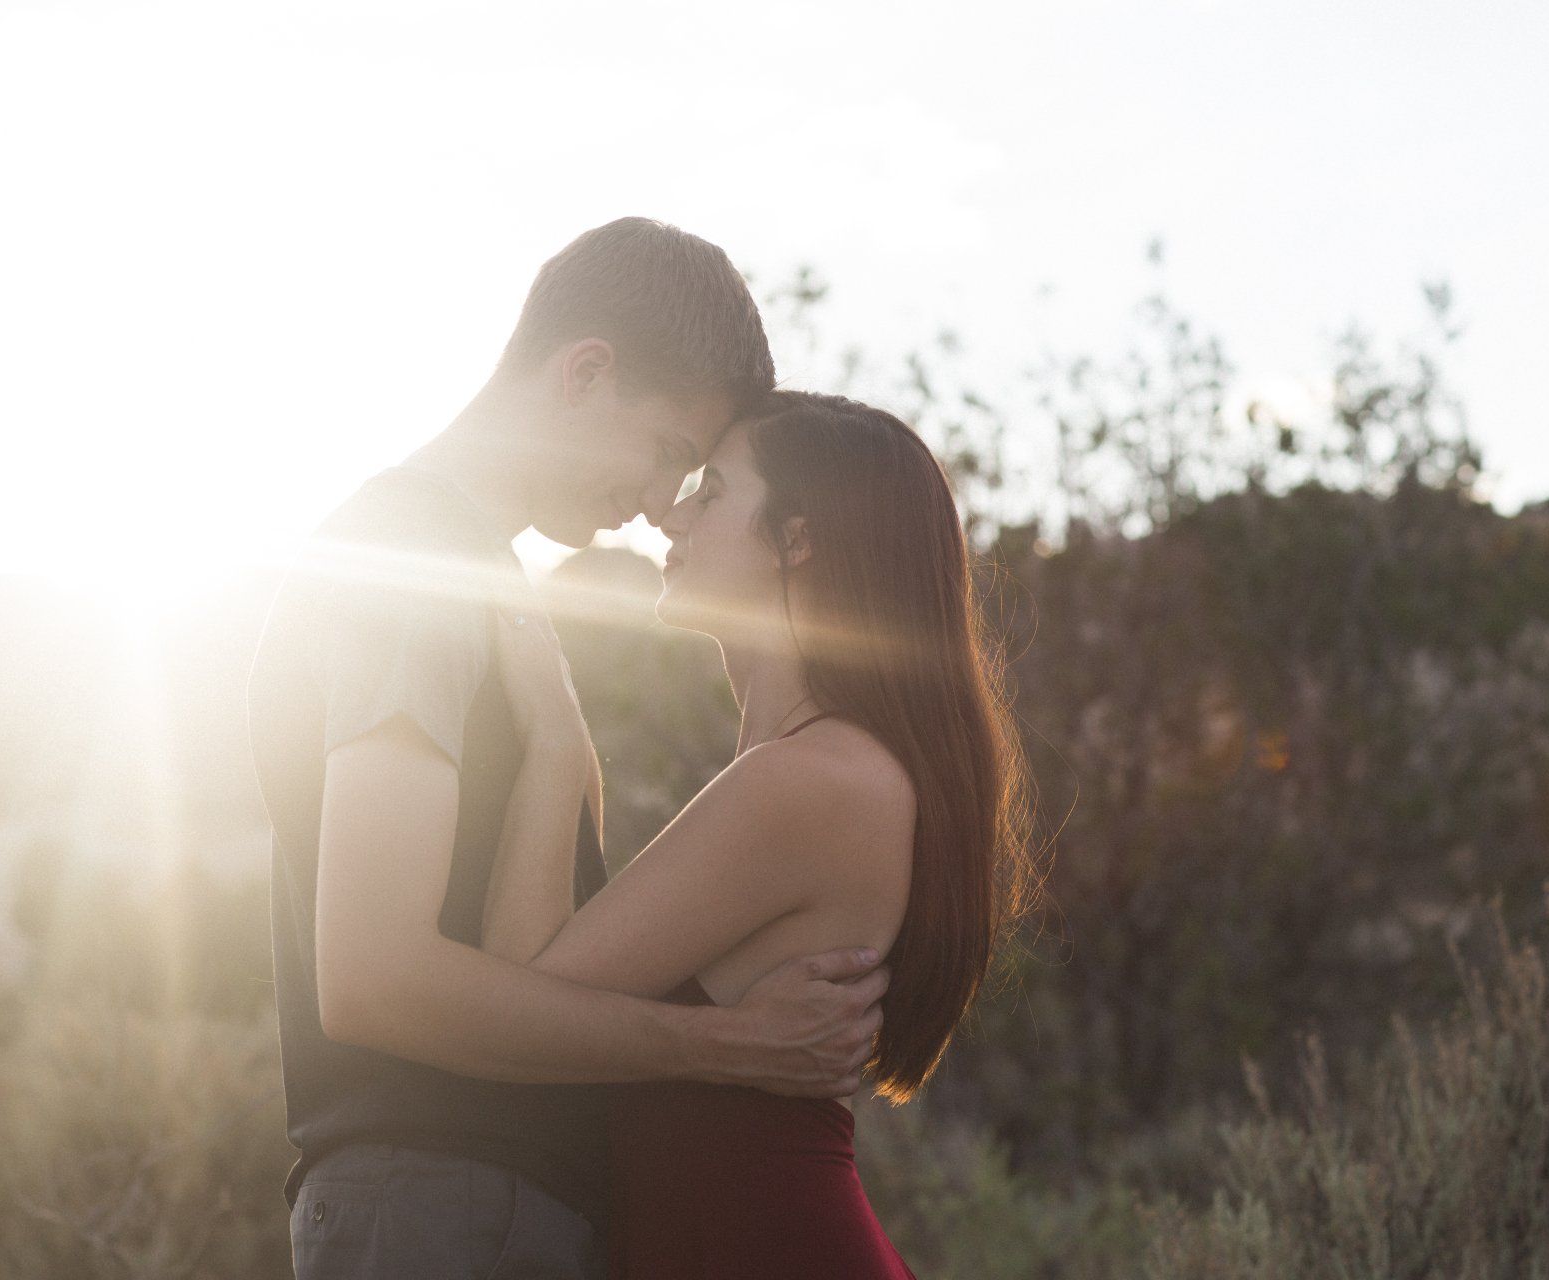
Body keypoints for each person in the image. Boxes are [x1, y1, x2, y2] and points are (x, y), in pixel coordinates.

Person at [246, 220, 892, 1280]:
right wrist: (726, 1047)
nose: (653, 506)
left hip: (472, 1207)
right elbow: (372, 976)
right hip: (443, 1206)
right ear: (585, 372)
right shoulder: (412, 561)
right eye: (671, 454)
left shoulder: (468, 578)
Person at [482, 390, 1040, 1278]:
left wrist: (555, 746)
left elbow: (510, 1015)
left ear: (796, 541)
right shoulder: (824, 769)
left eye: (710, 493)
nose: (671, 515)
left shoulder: (807, 781)